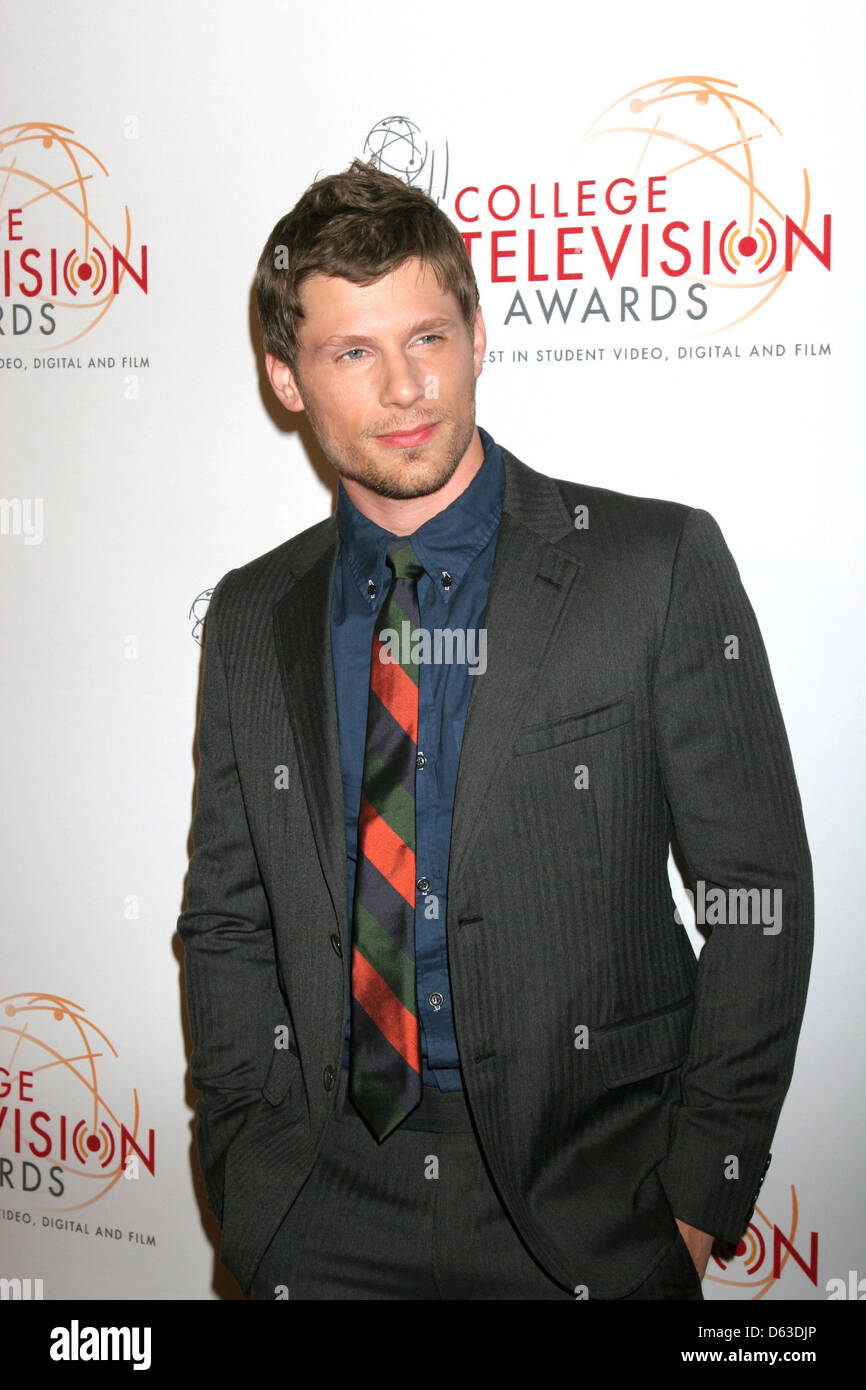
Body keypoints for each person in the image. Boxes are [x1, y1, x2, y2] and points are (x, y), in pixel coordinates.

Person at [177, 159, 813, 1301]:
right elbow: (226, 915)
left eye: (428, 335)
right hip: (321, 1197)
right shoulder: (251, 612)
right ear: (285, 378)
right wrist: (248, 1165)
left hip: (590, 1206)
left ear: (476, 334)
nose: (406, 386)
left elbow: (757, 894)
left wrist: (694, 1198)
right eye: (352, 352)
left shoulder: (650, 567)